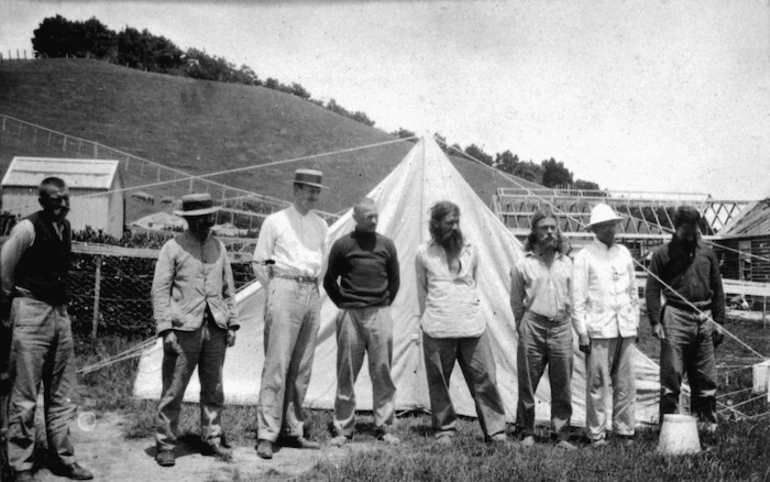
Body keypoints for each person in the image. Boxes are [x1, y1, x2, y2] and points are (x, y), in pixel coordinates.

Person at [0, 177, 94, 481]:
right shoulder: (26, 229)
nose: (64, 205)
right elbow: (4, 270)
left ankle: (63, 458)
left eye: (67, 199)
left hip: (58, 314)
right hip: (30, 311)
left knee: (63, 392)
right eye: (57, 200)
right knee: (25, 394)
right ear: (43, 201)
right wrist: (8, 312)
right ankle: (21, 465)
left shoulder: (65, 229)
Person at [152, 193, 239, 467]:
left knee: (214, 388)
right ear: (189, 220)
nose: (207, 225)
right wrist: (166, 329)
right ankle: (166, 443)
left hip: (215, 329)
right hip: (183, 330)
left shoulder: (219, 247)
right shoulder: (173, 248)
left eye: (210, 219)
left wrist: (232, 322)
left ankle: (212, 438)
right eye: (201, 220)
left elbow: (228, 288)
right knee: (174, 389)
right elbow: (160, 291)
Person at [415, 201, 507, 445]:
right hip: (437, 325)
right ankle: (445, 429)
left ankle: (495, 431)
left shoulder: (471, 249)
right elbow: (422, 291)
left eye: (457, 221)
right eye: (448, 222)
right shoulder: (424, 253)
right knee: (439, 381)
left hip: (471, 325)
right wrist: (427, 320)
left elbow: (473, 285)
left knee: (485, 378)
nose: (454, 227)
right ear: (435, 225)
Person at [253, 169, 329, 459]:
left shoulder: (321, 225)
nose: (313, 195)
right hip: (283, 287)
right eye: (308, 190)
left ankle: (292, 430)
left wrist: (308, 288)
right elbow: (262, 261)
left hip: (311, 292)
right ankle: (266, 433)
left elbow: (320, 261)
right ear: (296, 189)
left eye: (317, 191)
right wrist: (276, 285)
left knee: (302, 366)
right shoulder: (275, 221)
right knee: (277, 364)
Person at [323, 197, 401, 446]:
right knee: (346, 371)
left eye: (376, 215)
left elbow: (394, 281)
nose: (375, 220)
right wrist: (346, 304)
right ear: (355, 218)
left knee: (382, 372)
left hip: (380, 313)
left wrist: (381, 304)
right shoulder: (342, 245)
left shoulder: (387, 245)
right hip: (350, 316)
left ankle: (386, 427)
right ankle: (343, 428)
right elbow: (329, 280)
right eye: (369, 217)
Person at [646, 206, 725, 432]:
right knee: (671, 378)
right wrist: (654, 321)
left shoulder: (707, 253)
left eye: (694, 232)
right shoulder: (662, 253)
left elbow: (718, 289)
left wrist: (718, 320)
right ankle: (670, 432)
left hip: (705, 317)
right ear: (675, 228)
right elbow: (652, 289)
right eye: (685, 233)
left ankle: (705, 428)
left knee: (706, 379)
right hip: (675, 317)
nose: (690, 237)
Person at [571, 203, 639, 447]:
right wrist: (582, 332)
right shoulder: (584, 256)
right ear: (595, 229)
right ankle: (597, 434)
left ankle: (625, 431)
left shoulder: (623, 253)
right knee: (598, 384)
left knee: (626, 382)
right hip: (599, 329)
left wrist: (634, 322)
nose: (610, 230)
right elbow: (577, 299)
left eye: (612, 225)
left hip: (625, 328)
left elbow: (633, 292)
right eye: (605, 226)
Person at [510, 210, 576, 450]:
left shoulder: (568, 263)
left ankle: (561, 436)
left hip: (561, 327)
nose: (549, 232)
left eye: (553, 228)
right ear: (534, 233)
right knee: (527, 383)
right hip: (533, 326)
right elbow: (517, 302)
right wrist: (523, 325)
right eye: (544, 228)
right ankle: (526, 431)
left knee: (563, 384)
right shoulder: (523, 264)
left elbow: (574, 297)